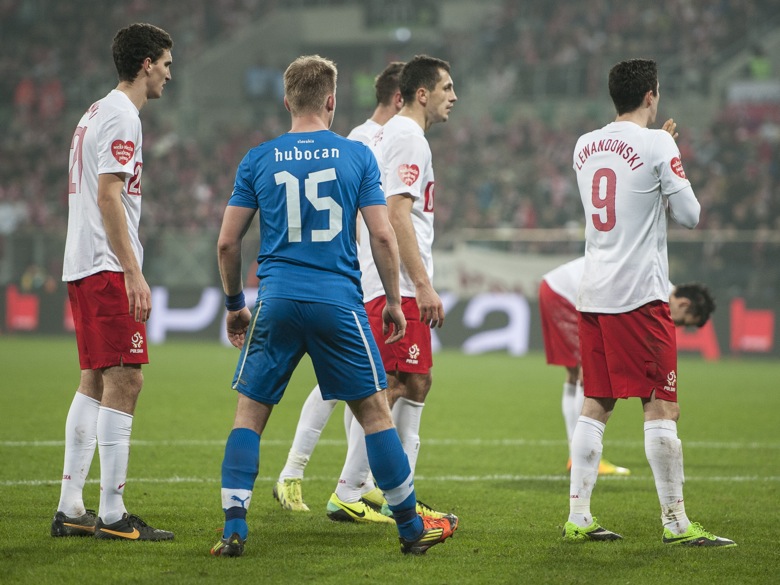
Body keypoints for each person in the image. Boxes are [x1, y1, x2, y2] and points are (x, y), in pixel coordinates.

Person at [210, 55, 458, 558]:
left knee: (249, 415)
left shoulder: (258, 158)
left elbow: (227, 244)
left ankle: (234, 526)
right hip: (338, 301)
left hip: (276, 298)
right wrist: (392, 299)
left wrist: (236, 304)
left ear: (286, 101)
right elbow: (384, 235)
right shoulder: (355, 156)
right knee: (373, 413)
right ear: (331, 101)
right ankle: (411, 528)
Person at [563, 58, 735, 547]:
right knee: (662, 407)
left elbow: (621, 200)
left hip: (593, 291)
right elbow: (690, 215)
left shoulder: (584, 145)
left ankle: (579, 516)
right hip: (639, 296)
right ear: (651, 95)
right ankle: (677, 524)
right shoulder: (659, 141)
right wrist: (670, 151)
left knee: (595, 404)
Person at [51, 23, 174, 541]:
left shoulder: (95, 110)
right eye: (166, 62)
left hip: (82, 261)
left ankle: (71, 507)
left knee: (95, 380)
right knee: (127, 378)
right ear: (146, 63)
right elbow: (108, 194)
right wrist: (132, 271)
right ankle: (112, 514)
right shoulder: (123, 116)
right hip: (105, 266)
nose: (170, 72)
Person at [326, 54, 458, 523]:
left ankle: (393, 489)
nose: (453, 97)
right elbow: (397, 214)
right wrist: (420, 286)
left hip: (386, 280)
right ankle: (354, 490)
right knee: (396, 383)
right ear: (422, 94)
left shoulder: (396, 135)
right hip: (394, 283)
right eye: (446, 88)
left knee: (414, 381)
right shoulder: (407, 136)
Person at [272, 62, 405, 523]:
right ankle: (301, 475)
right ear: (404, 98)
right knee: (351, 387)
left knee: (366, 387)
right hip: (358, 282)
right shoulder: (361, 142)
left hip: (356, 279)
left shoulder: (361, 139)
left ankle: (357, 485)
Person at [540, 256, 716, 476]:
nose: (676, 325)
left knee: (576, 374)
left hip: (559, 287)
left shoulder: (656, 282)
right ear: (683, 304)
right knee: (587, 374)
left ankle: (576, 456)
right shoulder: (655, 290)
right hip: (568, 294)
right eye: (681, 321)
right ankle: (579, 459)